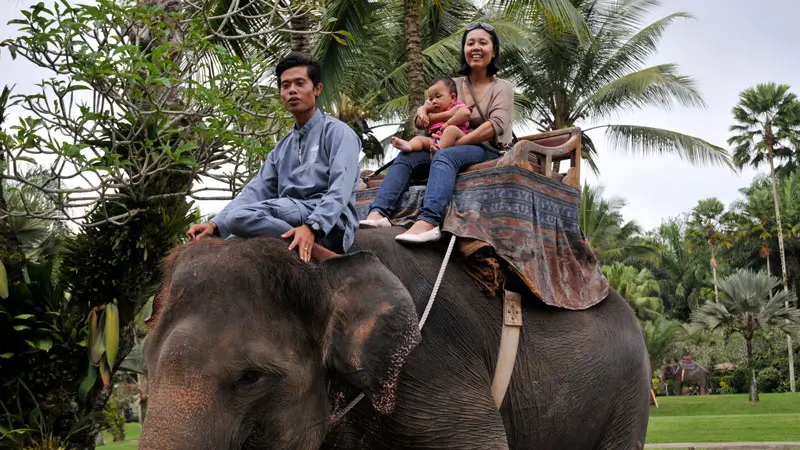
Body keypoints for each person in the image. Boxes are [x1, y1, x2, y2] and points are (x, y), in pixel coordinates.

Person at [187, 52, 362, 262]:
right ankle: (298, 241)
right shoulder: (282, 147)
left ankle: (319, 253)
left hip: (330, 224)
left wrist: (312, 227)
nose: (292, 91)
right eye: (285, 86)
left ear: (317, 89)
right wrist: (214, 225)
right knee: (229, 241)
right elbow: (255, 191)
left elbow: (340, 189)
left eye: (299, 83)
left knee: (239, 218)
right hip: (288, 216)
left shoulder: (338, 133)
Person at [359, 22, 515, 244]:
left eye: (483, 42)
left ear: (494, 50)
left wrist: (455, 143)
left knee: (444, 155)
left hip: (486, 149)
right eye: (470, 43)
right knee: (407, 156)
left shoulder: (502, 87)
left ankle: (429, 221)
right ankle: (379, 212)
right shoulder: (453, 84)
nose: (476, 48)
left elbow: (496, 125)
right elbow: (425, 112)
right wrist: (422, 113)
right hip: (448, 143)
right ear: (464, 50)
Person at [390, 77, 471, 153]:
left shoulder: (456, 106)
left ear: (452, 97)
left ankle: (438, 150)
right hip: (436, 139)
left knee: (451, 130)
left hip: (457, 137)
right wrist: (422, 114)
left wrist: (448, 123)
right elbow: (422, 108)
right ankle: (409, 145)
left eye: (438, 96)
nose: (434, 101)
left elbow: (465, 113)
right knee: (419, 139)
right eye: (431, 99)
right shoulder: (433, 108)